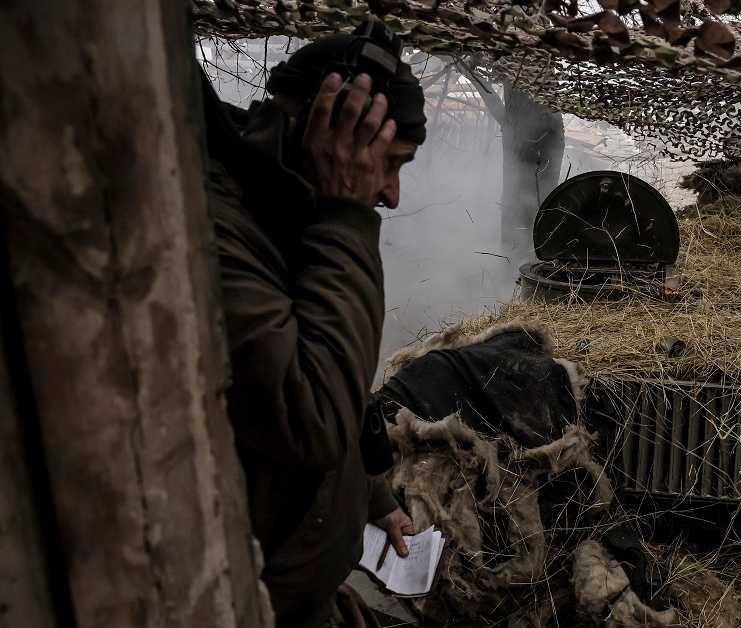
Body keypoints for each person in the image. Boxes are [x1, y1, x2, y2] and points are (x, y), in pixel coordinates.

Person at [201, 19, 427, 628]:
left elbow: (332, 371)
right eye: (389, 163)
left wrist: (374, 499)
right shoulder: (218, 234)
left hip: (314, 598)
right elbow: (312, 419)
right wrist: (347, 212)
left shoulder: (284, 204)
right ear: (325, 131)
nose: (392, 192)